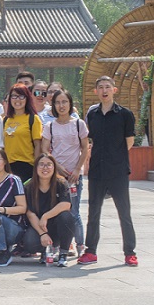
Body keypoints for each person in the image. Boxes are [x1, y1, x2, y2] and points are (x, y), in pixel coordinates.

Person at [79, 76, 138, 266]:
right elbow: (90, 139)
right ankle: (90, 252)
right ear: (96, 91)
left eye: (107, 87)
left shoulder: (125, 114)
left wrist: (115, 157)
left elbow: (129, 141)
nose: (104, 90)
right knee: (93, 212)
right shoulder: (92, 114)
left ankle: (130, 252)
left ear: (114, 90)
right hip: (97, 170)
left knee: (124, 213)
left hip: (118, 171)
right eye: (101, 87)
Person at [41, 89, 89, 255]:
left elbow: (85, 148)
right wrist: (58, 167)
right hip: (56, 176)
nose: (61, 106)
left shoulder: (78, 124)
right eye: (57, 102)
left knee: (74, 212)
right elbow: (45, 149)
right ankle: (57, 246)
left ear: (70, 103)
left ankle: (80, 245)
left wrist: (77, 169)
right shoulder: (50, 126)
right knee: (55, 211)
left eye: (64, 102)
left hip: (74, 176)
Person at [21, 154, 76, 266]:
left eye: (49, 165)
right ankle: (45, 251)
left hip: (57, 225)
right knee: (29, 242)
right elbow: (30, 213)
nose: (45, 168)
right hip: (39, 226)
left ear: (54, 167)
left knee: (66, 217)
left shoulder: (61, 183)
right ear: (36, 167)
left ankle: (63, 253)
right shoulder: (29, 186)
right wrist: (43, 234)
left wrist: (46, 216)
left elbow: (66, 204)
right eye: (41, 164)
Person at [2, 84, 43, 183]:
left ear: (27, 98)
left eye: (21, 96)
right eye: (14, 96)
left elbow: (38, 145)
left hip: (27, 165)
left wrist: (36, 167)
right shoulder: (6, 120)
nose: (17, 100)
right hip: (8, 166)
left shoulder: (33, 118)